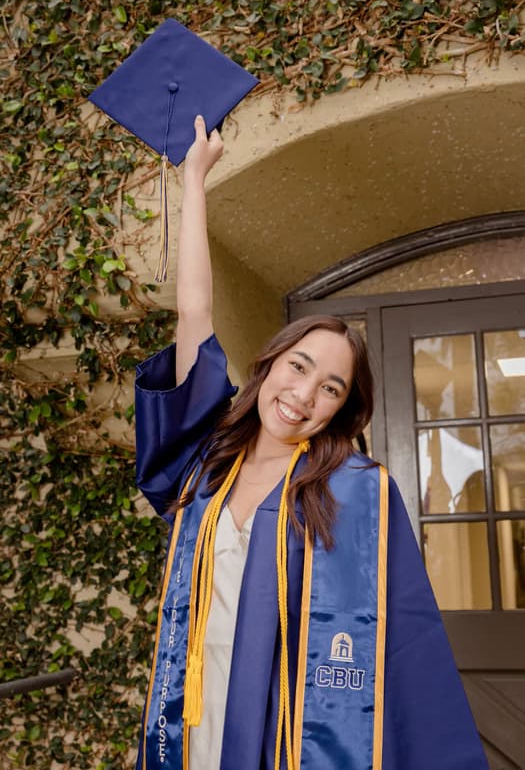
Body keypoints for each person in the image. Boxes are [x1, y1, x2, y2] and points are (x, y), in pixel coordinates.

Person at [134, 117, 488, 770]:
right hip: (189, 708)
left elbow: (404, 643)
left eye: (329, 387)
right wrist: (193, 180)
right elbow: (193, 314)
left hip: (282, 726)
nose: (302, 394)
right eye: (297, 367)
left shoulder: (355, 492)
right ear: (268, 365)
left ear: (339, 410)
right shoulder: (204, 464)